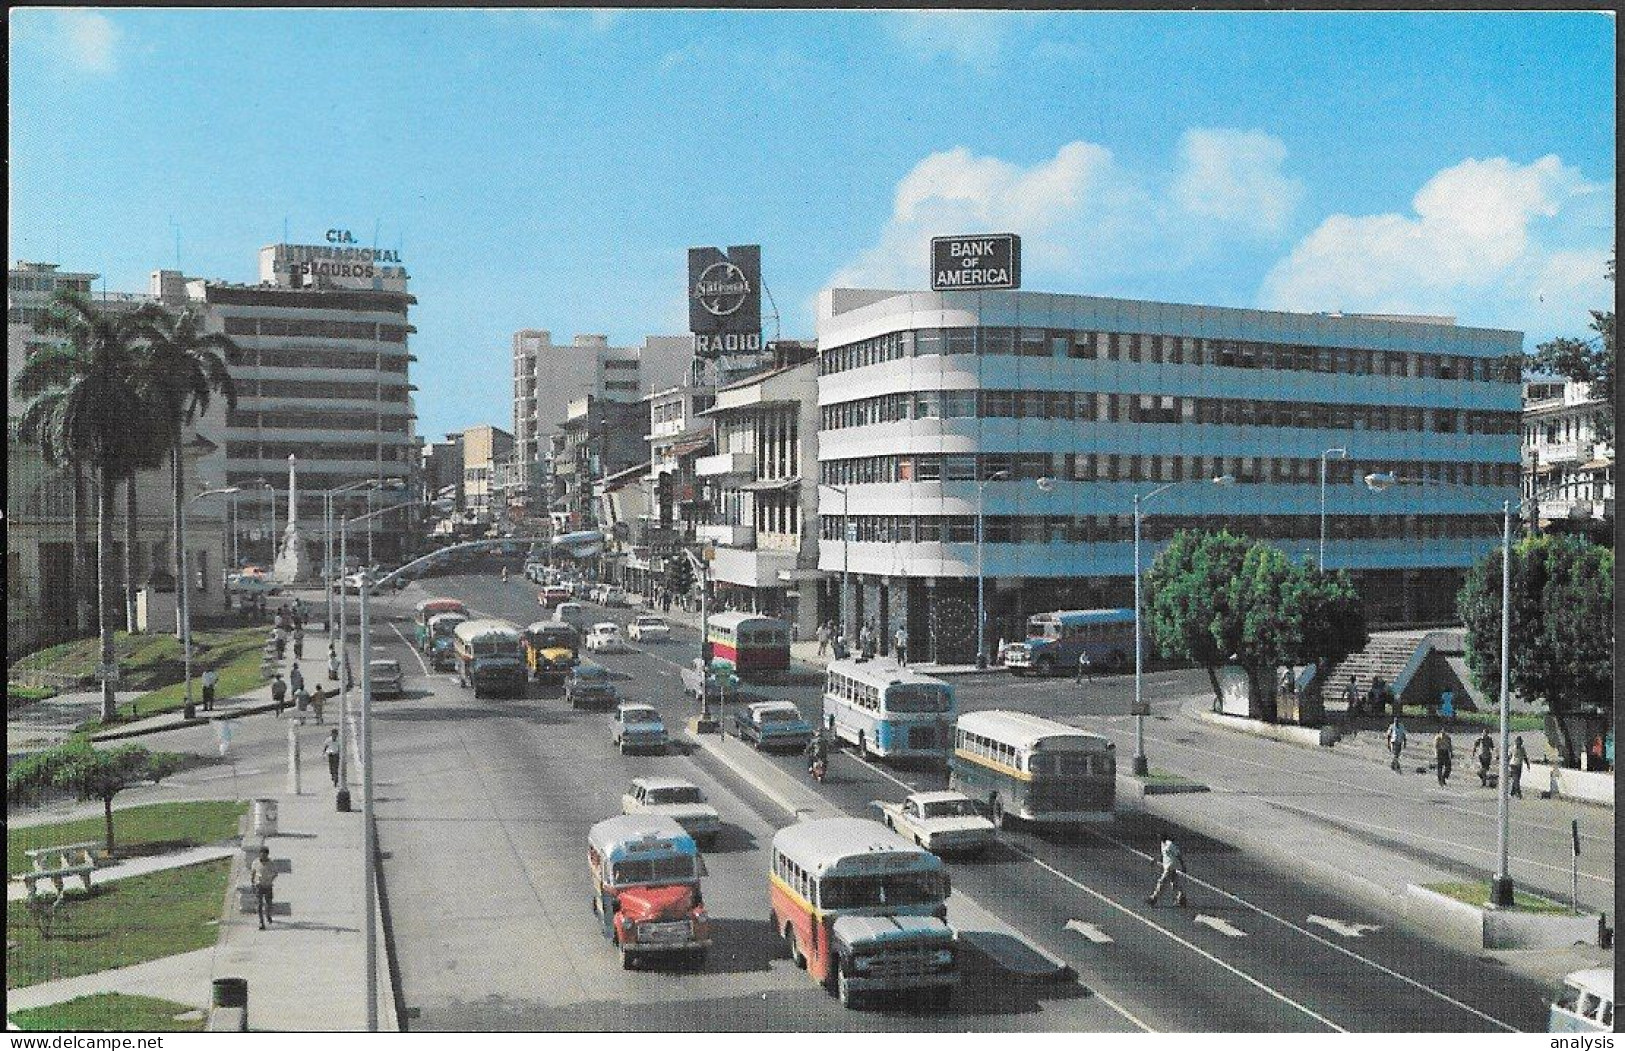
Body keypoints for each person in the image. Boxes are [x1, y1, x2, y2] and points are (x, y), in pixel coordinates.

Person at [1146, 833, 1188, 907]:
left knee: (1161, 882)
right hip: (1167, 866)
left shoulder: (1170, 845)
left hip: (1170, 866)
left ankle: (1154, 898)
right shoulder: (1162, 844)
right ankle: (1181, 898)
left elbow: (1178, 855)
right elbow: (1162, 854)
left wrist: (1183, 865)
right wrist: (1155, 860)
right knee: (1174, 884)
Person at [250, 846, 277, 929]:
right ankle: (261, 922)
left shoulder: (271, 863)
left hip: (268, 886)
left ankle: (268, 915)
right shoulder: (255, 862)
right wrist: (253, 882)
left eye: (265, 855)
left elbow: (275, 873)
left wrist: (270, 879)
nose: (263, 857)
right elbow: (253, 873)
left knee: (269, 903)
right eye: (261, 855)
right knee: (259, 904)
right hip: (259, 886)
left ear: (267, 855)